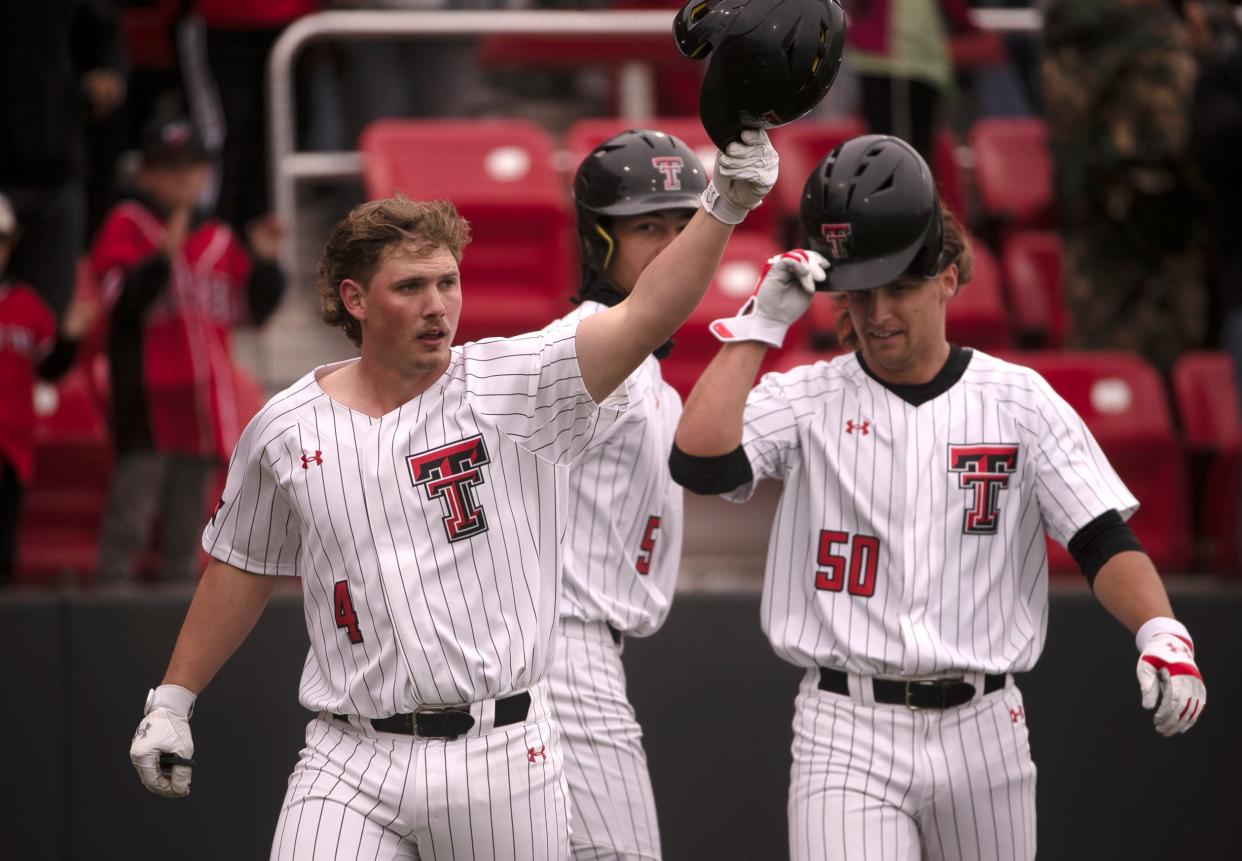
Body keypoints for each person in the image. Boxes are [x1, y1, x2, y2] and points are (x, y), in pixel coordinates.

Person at [127, 130, 778, 859]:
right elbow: (242, 566)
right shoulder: (284, 425)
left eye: (448, 282)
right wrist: (173, 700)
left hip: (500, 751)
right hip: (349, 753)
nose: (438, 305)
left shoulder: (518, 381)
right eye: (410, 287)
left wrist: (723, 205)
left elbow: (645, 311)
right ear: (355, 299)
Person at [669, 134, 1207, 860]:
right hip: (845, 722)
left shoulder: (1018, 399)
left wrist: (1161, 631)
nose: (878, 313)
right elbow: (697, 462)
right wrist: (760, 327)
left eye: (900, 287)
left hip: (985, 723)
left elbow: (1101, 537)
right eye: (861, 293)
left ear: (949, 276)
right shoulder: (808, 394)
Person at [542, 129, 706, 860]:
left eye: (685, 226)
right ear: (599, 242)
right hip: (562, 650)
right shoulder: (586, 346)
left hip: (572, 649)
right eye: (648, 227)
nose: (673, 247)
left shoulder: (644, 368)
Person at [92, 116, 286, 584]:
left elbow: (252, 312)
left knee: (189, 528)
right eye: (169, 167)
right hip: (147, 402)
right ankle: (106, 617)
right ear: (145, 174)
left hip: (202, 406)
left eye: (192, 167)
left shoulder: (219, 237)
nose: (183, 178)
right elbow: (115, 305)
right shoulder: (128, 223)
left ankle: (175, 626)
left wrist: (265, 265)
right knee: (131, 518)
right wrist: (160, 262)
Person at [1041, 0, 1207, 377]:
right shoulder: (1156, 40)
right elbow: (1173, 144)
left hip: (1090, 233)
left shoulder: (1071, 36)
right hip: (1156, 240)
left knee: (1103, 379)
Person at [0, 193, 97, 585]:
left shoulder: (27, 305)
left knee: (4, 550)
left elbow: (50, 369)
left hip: (12, 449)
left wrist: (70, 338)